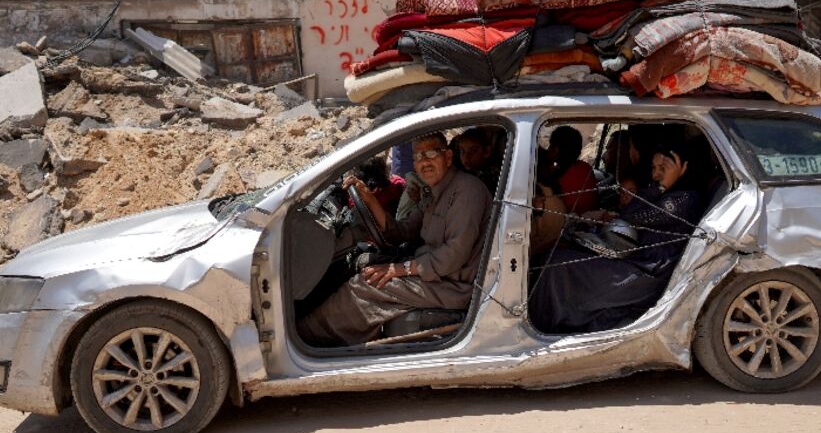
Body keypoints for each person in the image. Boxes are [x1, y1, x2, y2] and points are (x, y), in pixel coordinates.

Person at [299, 133, 493, 346]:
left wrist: (400, 269)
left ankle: (306, 339)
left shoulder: (467, 190)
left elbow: (452, 256)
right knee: (362, 262)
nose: (424, 162)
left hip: (452, 285)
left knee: (366, 284)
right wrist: (370, 199)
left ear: (447, 157)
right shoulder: (434, 194)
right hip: (434, 274)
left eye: (431, 154)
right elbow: (403, 231)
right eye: (418, 157)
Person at [528, 141, 703, 334]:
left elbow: (631, 216)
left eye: (664, 169)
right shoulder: (667, 194)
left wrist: (660, 186)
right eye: (654, 168)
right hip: (634, 261)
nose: (656, 175)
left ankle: (539, 327)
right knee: (558, 257)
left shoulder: (683, 199)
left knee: (557, 267)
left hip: (645, 275)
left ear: (683, 168)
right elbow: (629, 213)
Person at [545, 126, 598, 214]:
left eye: (550, 145)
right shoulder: (585, 168)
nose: (548, 149)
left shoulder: (554, 177)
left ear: (556, 149)